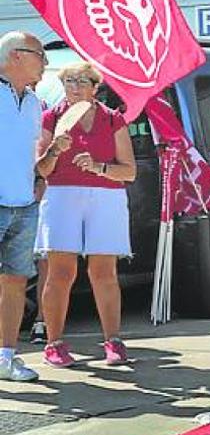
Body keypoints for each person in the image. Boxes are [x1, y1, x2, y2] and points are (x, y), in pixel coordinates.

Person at [33, 63, 137, 367]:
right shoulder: (52, 117)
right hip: (61, 196)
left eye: (81, 81)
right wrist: (54, 149)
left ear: (95, 87)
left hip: (107, 197)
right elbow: (41, 169)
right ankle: (54, 343)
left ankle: (113, 341)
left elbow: (129, 171)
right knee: (60, 273)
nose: (74, 87)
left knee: (103, 272)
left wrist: (99, 168)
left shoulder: (112, 119)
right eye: (68, 81)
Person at [0, 31, 44, 382]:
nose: (44, 62)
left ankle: (6, 358)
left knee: (15, 282)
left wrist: (41, 178)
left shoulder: (33, 102)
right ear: (16, 55)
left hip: (24, 204)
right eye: (39, 54)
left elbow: (29, 155)